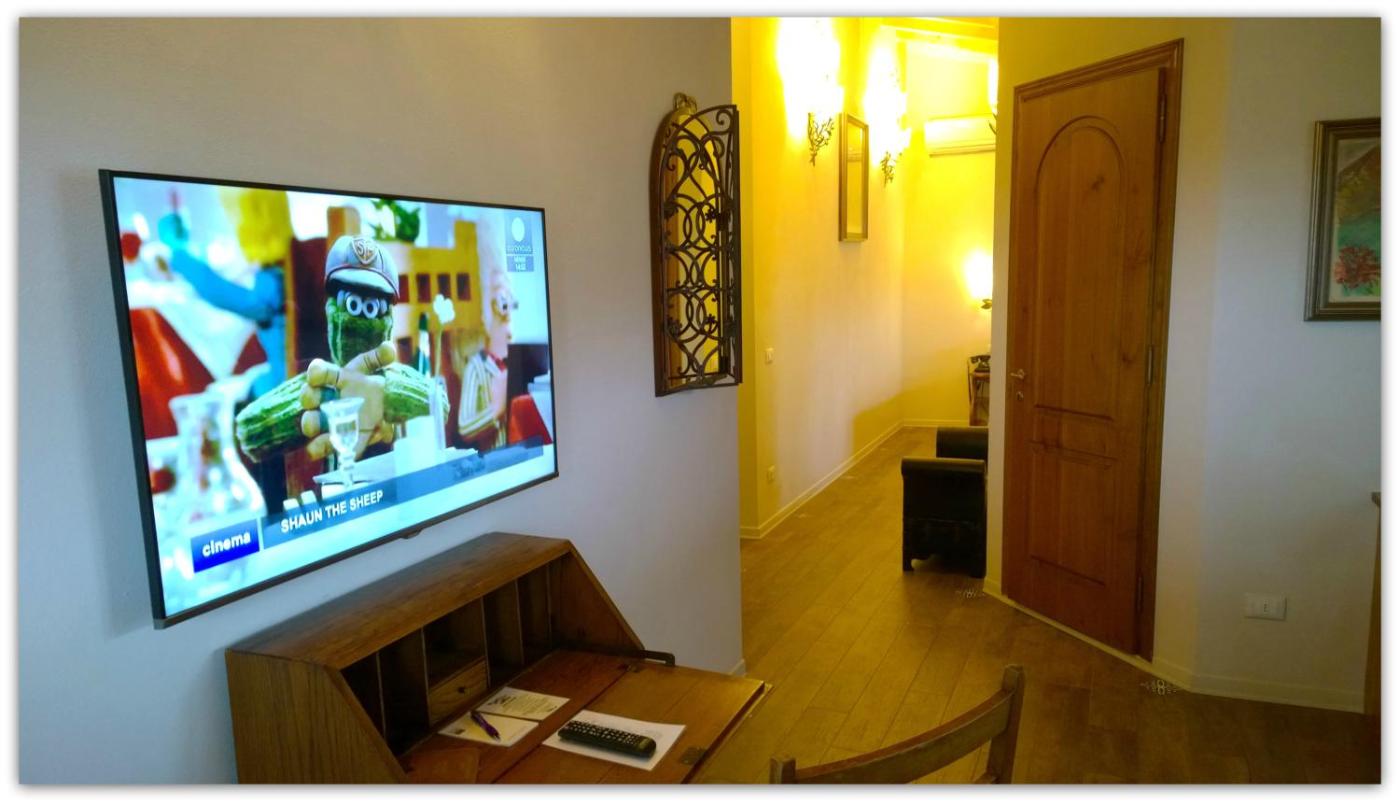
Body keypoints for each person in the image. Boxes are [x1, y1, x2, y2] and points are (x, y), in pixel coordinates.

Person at [234, 235, 447, 470]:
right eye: (351, 303)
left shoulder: (387, 380)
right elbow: (252, 432)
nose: (359, 319)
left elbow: (437, 405)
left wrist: (382, 392)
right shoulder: (320, 385)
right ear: (330, 308)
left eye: (373, 307)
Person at [457, 267, 517, 452]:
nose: (502, 300)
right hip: (497, 461)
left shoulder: (521, 361)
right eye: (496, 291)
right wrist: (496, 411)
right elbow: (464, 427)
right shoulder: (476, 367)